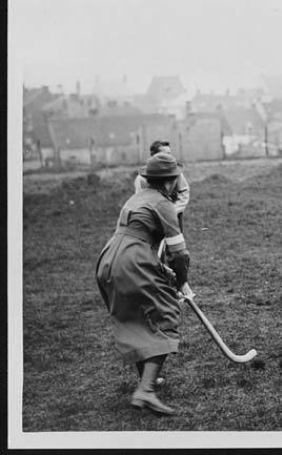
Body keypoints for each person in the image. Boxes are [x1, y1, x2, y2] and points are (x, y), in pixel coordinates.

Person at [96, 152, 191, 415]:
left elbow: (135, 239)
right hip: (132, 261)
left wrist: (161, 270)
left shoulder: (135, 198)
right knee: (166, 314)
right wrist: (181, 280)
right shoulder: (164, 205)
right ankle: (146, 390)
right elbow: (179, 254)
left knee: (132, 316)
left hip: (109, 259)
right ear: (171, 181)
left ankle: (146, 381)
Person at [135, 140, 190, 232]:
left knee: (175, 241)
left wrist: (174, 211)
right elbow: (140, 200)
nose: (169, 157)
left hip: (174, 215)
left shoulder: (176, 172)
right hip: (152, 218)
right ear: (154, 156)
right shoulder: (142, 178)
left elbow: (184, 191)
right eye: (165, 154)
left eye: (170, 153)